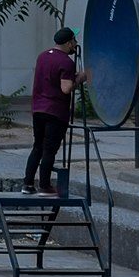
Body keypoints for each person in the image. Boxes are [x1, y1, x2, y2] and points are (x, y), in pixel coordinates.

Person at [25, 27, 87, 195]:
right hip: (55, 111)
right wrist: (79, 79)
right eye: (74, 41)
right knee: (49, 150)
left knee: (37, 146)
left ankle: (28, 184)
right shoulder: (66, 62)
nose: (75, 45)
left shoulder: (43, 56)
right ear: (68, 43)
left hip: (38, 108)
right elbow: (66, 88)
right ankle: (45, 185)